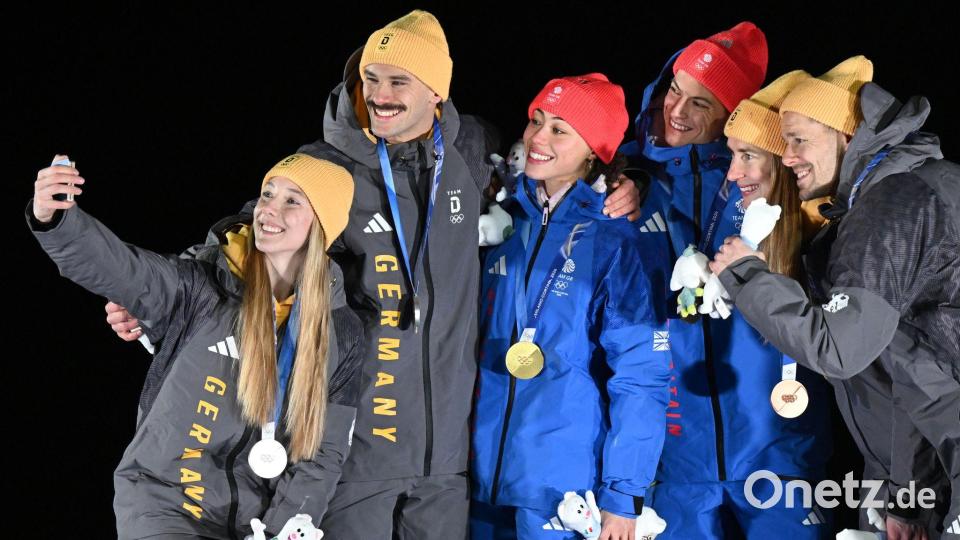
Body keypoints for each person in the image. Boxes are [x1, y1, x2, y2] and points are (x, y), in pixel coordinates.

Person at [101, 10, 640, 538]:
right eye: (370, 78)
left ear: (436, 92)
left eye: (399, 81)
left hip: (447, 462)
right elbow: (249, 236)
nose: (380, 94)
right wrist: (160, 304)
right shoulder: (325, 167)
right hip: (357, 456)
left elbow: (566, 163)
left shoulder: (470, 151)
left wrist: (629, 179)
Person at [29, 153, 363, 539]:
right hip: (162, 501)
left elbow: (322, 452)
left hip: (250, 523)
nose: (269, 209)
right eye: (267, 194)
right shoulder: (204, 285)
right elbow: (122, 270)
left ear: (322, 225)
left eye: (292, 201)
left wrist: (285, 527)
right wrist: (57, 220)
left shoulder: (341, 330)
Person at [712, 55, 960, 539]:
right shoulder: (893, 195)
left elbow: (840, 350)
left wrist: (747, 277)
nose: (788, 156)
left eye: (799, 140)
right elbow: (906, 371)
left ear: (847, 136)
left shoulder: (894, 202)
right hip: (929, 462)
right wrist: (904, 496)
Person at [620, 23, 834, 538]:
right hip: (675, 444)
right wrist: (629, 174)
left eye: (701, 103)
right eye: (676, 89)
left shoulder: (768, 182)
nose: (677, 111)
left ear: (731, 115)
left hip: (777, 441)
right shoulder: (629, 181)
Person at [470, 73, 671, 540]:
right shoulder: (501, 225)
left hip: (561, 492)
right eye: (536, 120)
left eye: (560, 129)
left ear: (594, 151)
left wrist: (624, 495)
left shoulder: (614, 241)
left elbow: (642, 372)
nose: (538, 137)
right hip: (480, 482)